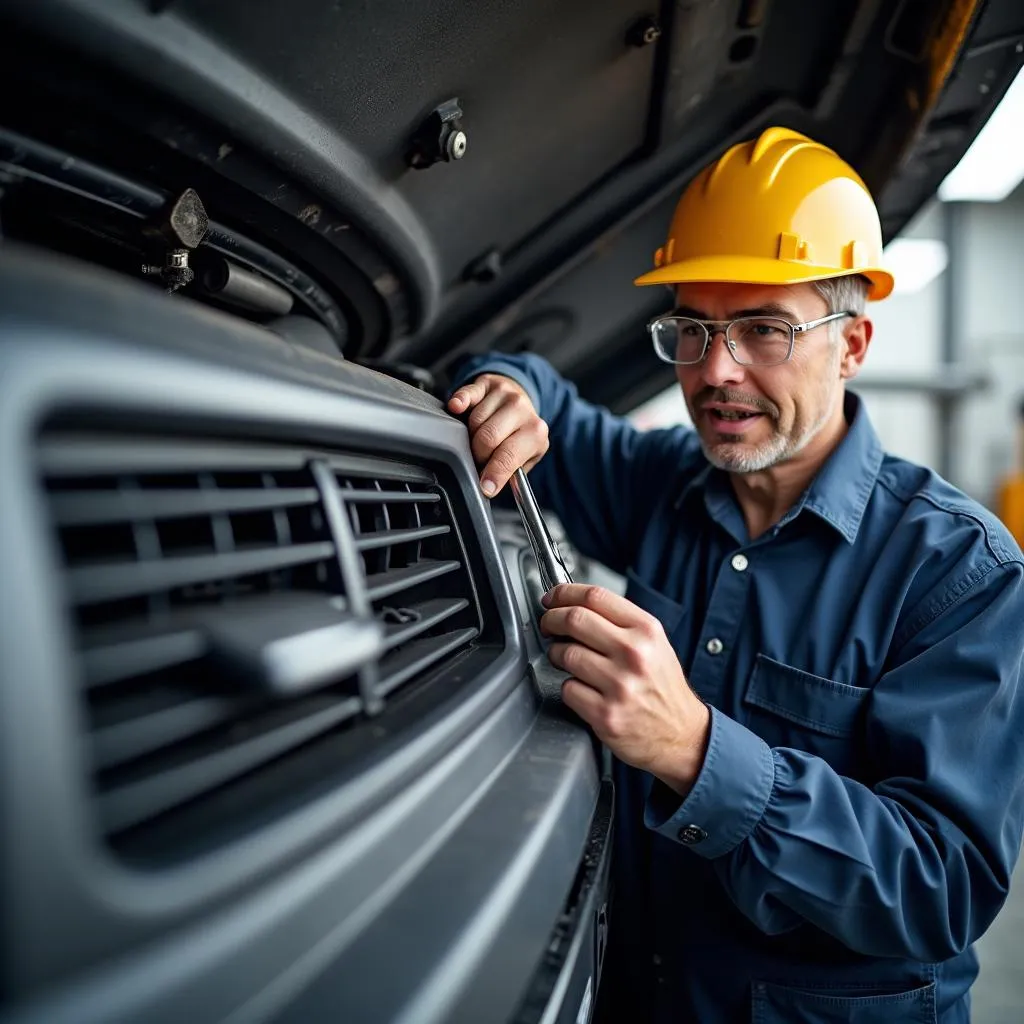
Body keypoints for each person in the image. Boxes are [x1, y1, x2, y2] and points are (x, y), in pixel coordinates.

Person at [446, 127, 1024, 1023]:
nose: (716, 370)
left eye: (764, 329)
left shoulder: (956, 573)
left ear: (854, 343)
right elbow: (531, 391)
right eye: (692, 327)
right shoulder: (662, 484)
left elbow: (939, 887)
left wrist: (693, 750)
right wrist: (501, 387)